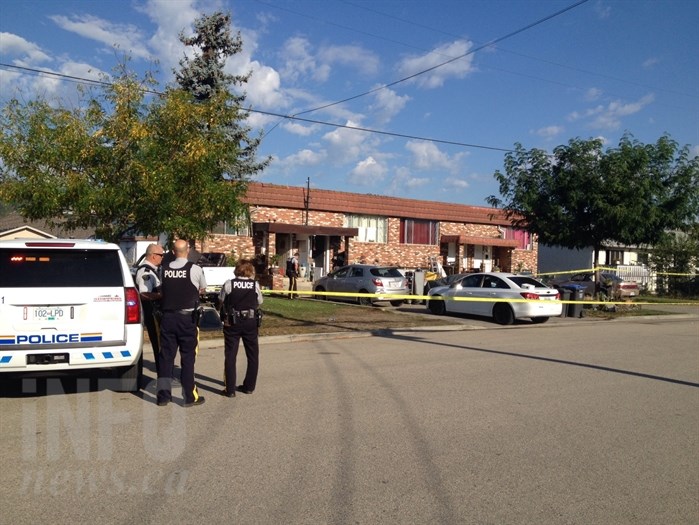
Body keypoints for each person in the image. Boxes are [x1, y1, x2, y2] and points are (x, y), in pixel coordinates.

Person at [156, 239, 207, 407]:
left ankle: (163, 396)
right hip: (187, 319)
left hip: (168, 318)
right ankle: (189, 397)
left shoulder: (163, 269)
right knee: (187, 358)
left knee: (166, 358)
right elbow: (202, 289)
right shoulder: (195, 269)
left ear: (172, 251)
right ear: (188, 250)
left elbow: (161, 290)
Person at [218, 259, 263, 397]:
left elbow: (221, 299)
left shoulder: (229, 283)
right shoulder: (254, 284)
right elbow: (260, 301)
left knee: (231, 355)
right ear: (250, 271)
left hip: (233, 321)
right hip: (250, 322)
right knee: (253, 355)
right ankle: (249, 386)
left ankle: (230, 389)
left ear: (237, 270)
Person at [134, 244, 164, 374]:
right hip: (151, 313)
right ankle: (161, 371)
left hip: (156, 312)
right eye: (161, 255)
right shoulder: (145, 272)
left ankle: (163, 369)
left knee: (162, 344)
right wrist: (161, 295)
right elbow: (143, 294)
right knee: (158, 344)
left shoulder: (154, 270)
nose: (162, 258)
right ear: (153, 256)